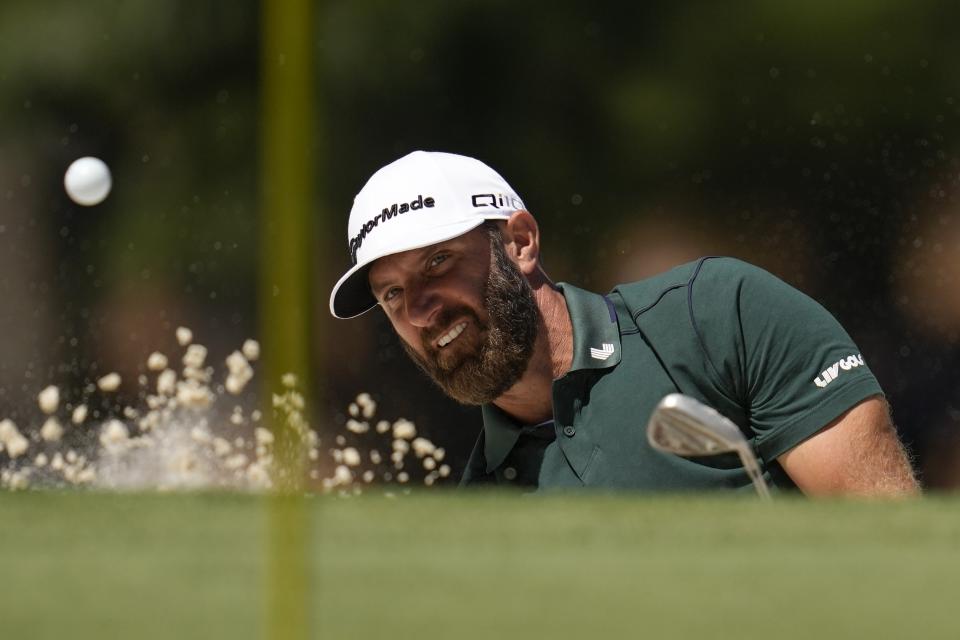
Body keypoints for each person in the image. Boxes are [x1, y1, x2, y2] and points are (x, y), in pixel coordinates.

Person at [329, 151, 920, 496]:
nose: (421, 310)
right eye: (391, 294)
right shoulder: (486, 505)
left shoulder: (719, 313)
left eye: (439, 263)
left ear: (520, 242)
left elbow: (891, 548)